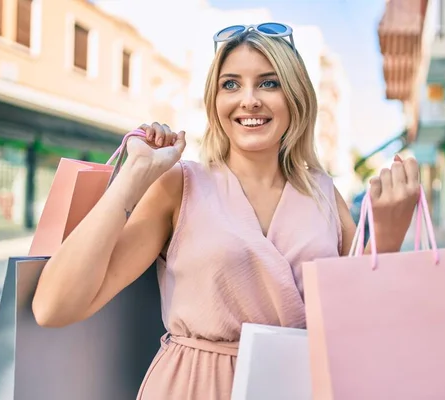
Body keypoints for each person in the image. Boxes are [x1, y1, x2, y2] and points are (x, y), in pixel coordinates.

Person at [31, 23, 420, 399]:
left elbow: (360, 327)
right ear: (214, 102)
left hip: (298, 385)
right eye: (230, 84)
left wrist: (388, 237)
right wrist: (133, 178)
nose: (248, 99)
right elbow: (55, 307)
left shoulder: (324, 194)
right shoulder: (180, 186)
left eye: (269, 82)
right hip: (193, 387)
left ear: (296, 96)